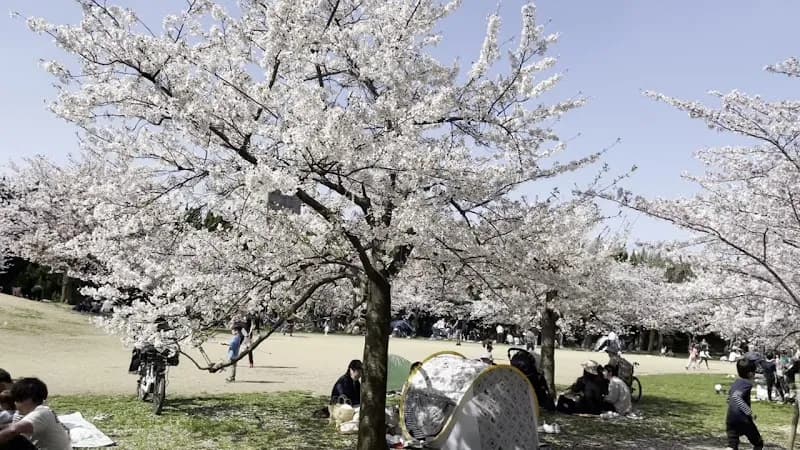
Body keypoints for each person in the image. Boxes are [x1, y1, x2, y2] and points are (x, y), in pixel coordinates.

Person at [0, 378, 70, 450]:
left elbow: (13, 430)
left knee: (12, 439)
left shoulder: (40, 413)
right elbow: (13, 425)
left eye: (17, 400)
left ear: (29, 399)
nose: (15, 404)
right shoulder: (42, 411)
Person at [726, 358, 764, 450]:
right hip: (743, 419)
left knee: (732, 445)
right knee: (758, 443)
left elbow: (729, 398)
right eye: (754, 372)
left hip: (730, 418)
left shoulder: (736, 383)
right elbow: (736, 397)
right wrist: (749, 412)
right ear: (750, 374)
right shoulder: (746, 384)